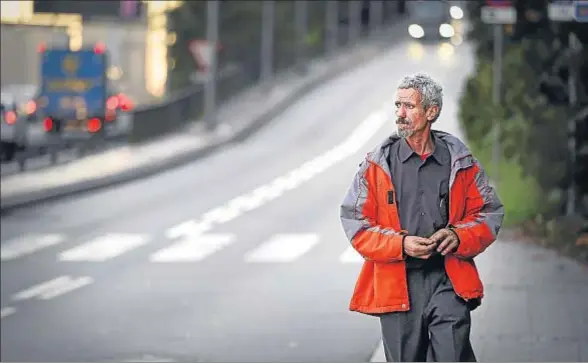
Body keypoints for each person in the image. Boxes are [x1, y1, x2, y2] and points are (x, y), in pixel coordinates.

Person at [340, 73, 504, 362]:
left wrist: (457, 236)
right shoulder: (376, 165)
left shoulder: (460, 162)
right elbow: (356, 224)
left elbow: (489, 211)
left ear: (431, 112)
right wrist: (401, 245)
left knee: (453, 355)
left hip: (448, 279)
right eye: (397, 105)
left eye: (409, 106)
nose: (400, 114)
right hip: (397, 283)